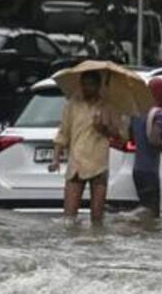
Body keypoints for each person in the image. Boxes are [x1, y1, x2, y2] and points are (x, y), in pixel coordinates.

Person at [49, 70, 126, 223]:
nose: (86, 88)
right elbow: (63, 133)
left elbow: (122, 137)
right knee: (69, 218)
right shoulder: (72, 105)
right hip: (77, 164)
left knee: (97, 219)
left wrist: (103, 128)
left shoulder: (109, 107)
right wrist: (55, 159)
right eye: (84, 84)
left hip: (99, 164)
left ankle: (96, 243)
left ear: (98, 86)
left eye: (90, 85)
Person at [129, 77, 162, 216]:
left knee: (145, 206)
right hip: (150, 170)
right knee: (152, 213)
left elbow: (131, 137)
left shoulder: (137, 112)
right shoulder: (158, 115)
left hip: (137, 170)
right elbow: (154, 140)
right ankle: (127, 220)